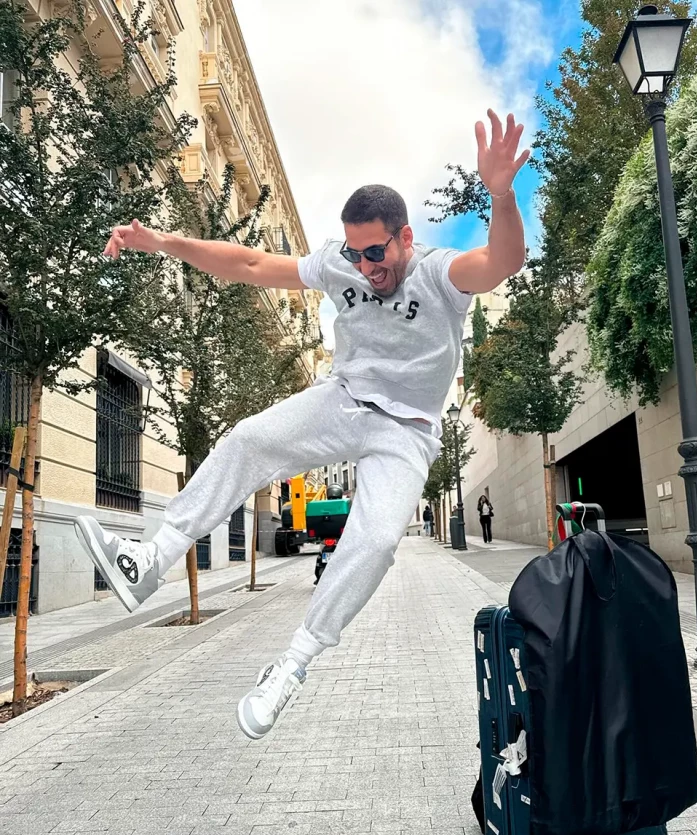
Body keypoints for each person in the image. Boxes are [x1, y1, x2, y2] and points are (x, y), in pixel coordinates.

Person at [74, 110, 528, 740]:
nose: (367, 267)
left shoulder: (438, 272)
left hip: (408, 433)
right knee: (248, 438)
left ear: (405, 237)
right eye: (356, 253)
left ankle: (293, 664)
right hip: (343, 400)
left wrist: (502, 194)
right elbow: (255, 266)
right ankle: (151, 559)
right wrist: (165, 243)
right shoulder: (341, 264)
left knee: (374, 542)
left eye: (377, 252)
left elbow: (502, 260)